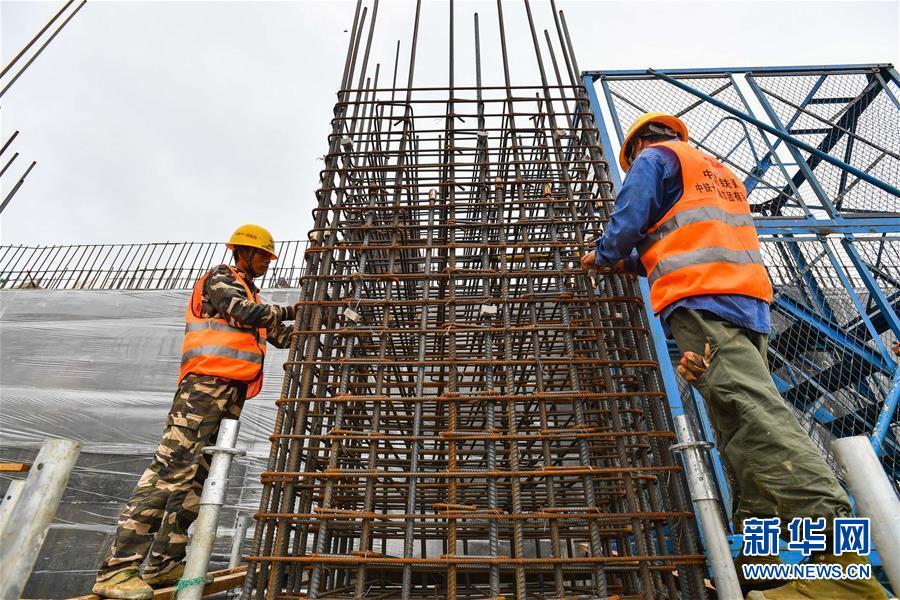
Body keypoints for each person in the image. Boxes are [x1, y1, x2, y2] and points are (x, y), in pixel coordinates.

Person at [581, 113, 886, 599]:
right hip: (745, 303)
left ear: (636, 146)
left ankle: (844, 571)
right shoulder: (715, 172)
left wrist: (603, 254)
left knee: (756, 418)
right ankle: (760, 567)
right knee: (738, 430)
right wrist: (629, 262)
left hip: (701, 303)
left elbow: (630, 219)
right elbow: (679, 240)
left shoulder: (653, 160)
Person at [92, 224, 298, 599]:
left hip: (229, 393)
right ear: (244, 252)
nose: (268, 262)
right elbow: (242, 311)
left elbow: (281, 335)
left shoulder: (252, 296)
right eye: (264, 255)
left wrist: (319, 320)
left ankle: (164, 563)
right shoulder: (221, 278)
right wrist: (290, 309)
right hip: (202, 389)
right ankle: (117, 570)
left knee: (195, 480)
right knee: (170, 470)